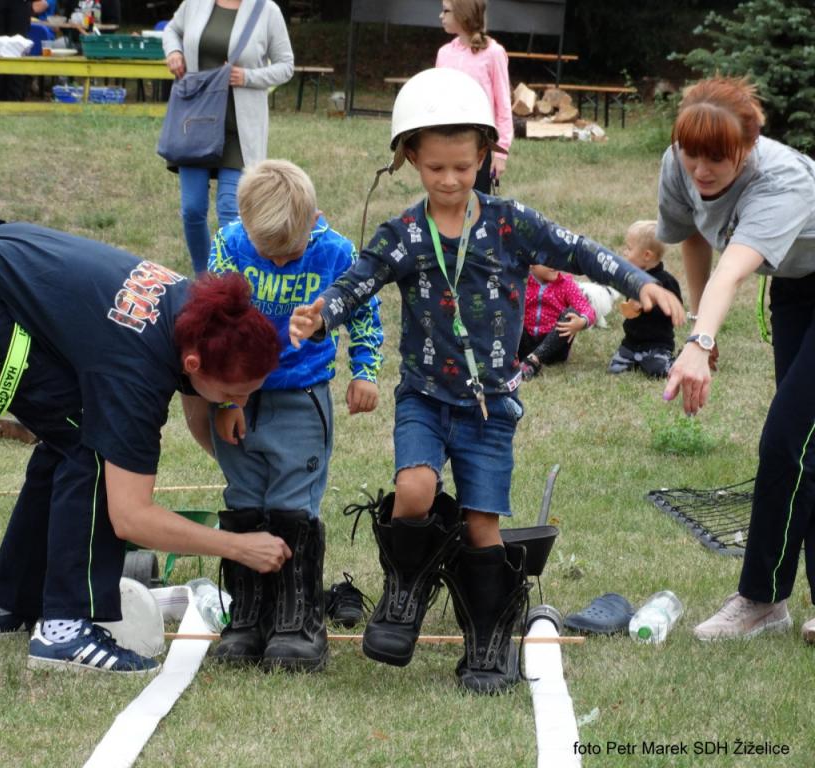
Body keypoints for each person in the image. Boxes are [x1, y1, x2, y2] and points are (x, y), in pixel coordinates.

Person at [290, 68, 684, 693]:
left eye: (463, 167)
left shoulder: (509, 224)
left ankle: (488, 638)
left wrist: (639, 282)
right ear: (410, 157)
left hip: (489, 408)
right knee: (414, 489)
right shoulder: (404, 234)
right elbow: (357, 281)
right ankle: (405, 589)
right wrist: (321, 315)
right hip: (422, 395)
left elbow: (579, 250)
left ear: (484, 158)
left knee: (482, 529)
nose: (449, 181)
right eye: (435, 167)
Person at [0, 220, 290, 674]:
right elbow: (131, 516)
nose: (242, 404)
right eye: (237, 393)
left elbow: (196, 382)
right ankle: (64, 633)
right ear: (194, 363)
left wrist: (227, 404)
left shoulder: (196, 311)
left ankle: (6, 608)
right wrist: (237, 547)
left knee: (69, 432)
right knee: (89, 441)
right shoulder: (135, 371)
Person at [206, 159, 384, 671]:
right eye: (271, 254)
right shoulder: (229, 248)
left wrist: (365, 371)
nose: (282, 263)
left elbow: (365, 311)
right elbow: (212, 324)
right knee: (243, 498)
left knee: (291, 503)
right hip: (240, 396)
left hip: (300, 395)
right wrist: (223, 400)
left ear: (313, 220)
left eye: (291, 252)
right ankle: (247, 616)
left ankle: (296, 621)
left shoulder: (337, 252)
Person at [658, 77, 815, 644]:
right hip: (798, 287)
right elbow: (695, 240)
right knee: (806, 448)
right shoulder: (679, 164)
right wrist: (705, 324)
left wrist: (698, 344)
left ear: (747, 148)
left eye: (717, 159)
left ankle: (760, 599)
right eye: (690, 153)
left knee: (786, 439)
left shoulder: (782, 179)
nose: (700, 170)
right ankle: (774, 600)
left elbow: (735, 266)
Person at [162, 0, 293, 274]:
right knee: (192, 209)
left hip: (239, 130)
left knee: (229, 212)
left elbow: (285, 66)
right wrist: (174, 52)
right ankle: (202, 278)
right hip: (196, 123)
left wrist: (247, 76)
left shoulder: (267, 11)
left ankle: (229, 281)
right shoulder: (195, 4)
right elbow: (172, 30)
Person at [435, 0, 513, 193]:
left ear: (463, 14)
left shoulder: (494, 53)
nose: (440, 16)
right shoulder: (444, 53)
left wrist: (500, 152)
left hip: (479, 145)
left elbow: (503, 105)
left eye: (446, 11)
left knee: (476, 204)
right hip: (446, 140)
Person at [608, 220, 682, 378]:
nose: (625, 253)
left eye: (629, 248)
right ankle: (632, 357)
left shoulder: (667, 282)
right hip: (631, 342)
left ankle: (675, 360)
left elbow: (675, 310)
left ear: (646, 255)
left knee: (658, 371)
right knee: (615, 369)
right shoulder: (633, 278)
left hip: (657, 344)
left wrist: (651, 305)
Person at [518, 264, 596, 379]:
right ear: (531, 264)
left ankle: (534, 360)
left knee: (571, 314)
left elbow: (587, 309)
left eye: (556, 257)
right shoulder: (520, 282)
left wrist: (581, 322)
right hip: (524, 345)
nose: (554, 264)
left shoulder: (566, 284)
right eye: (547, 260)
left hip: (555, 348)